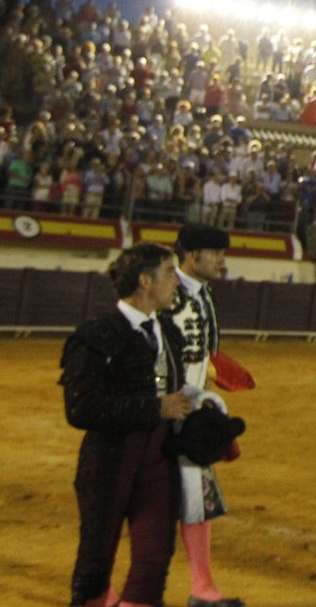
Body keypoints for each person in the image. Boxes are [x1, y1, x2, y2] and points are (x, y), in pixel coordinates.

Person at [61, 243, 195, 607]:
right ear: (144, 281)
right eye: (170, 273)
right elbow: (81, 408)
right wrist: (156, 409)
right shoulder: (97, 335)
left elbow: (173, 397)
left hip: (157, 461)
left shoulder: (169, 333)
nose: (177, 284)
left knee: (154, 557)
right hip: (109, 461)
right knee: (96, 560)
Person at [162, 223, 245, 607]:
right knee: (139, 503)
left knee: (198, 498)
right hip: (160, 413)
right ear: (192, 256)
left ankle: (203, 588)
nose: (222, 261)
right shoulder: (167, 291)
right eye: (217, 254)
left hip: (191, 413)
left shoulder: (203, 294)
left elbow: (202, 355)